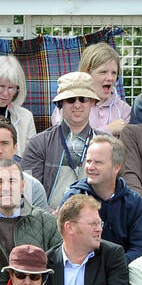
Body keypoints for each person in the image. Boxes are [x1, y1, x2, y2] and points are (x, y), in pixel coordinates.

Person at [46, 194, 129, 285]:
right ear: (69, 227)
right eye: (93, 224)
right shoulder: (47, 262)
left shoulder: (112, 255)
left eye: (100, 223)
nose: (99, 229)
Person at [63, 134, 142, 263]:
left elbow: (140, 247)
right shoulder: (73, 197)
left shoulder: (133, 202)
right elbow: (64, 243)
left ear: (116, 167)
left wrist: (115, 266)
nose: (90, 167)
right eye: (88, 161)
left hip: (121, 273)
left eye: (98, 162)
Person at [23, 72, 99, 205]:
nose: (77, 105)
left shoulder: (107, 144)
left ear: (92, 102)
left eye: (83, 99)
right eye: (70, 99)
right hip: (50, 222)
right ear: (60, 103)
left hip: (96, 222)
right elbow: (28, 195)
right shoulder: (38, 144)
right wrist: (48, 218)